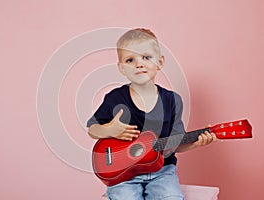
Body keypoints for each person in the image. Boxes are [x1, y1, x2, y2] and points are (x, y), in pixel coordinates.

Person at [87, 28, 217, 200]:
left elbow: (175, 143)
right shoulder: (115, 98)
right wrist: (110, 130)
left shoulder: (172, 100)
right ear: (121, 68)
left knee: (171, 197)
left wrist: (195, 143)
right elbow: (92, 129)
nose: (139, 64)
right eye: (130, 60)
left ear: (160, 62)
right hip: (123, 175)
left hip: (162, 172)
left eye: (146, 57)